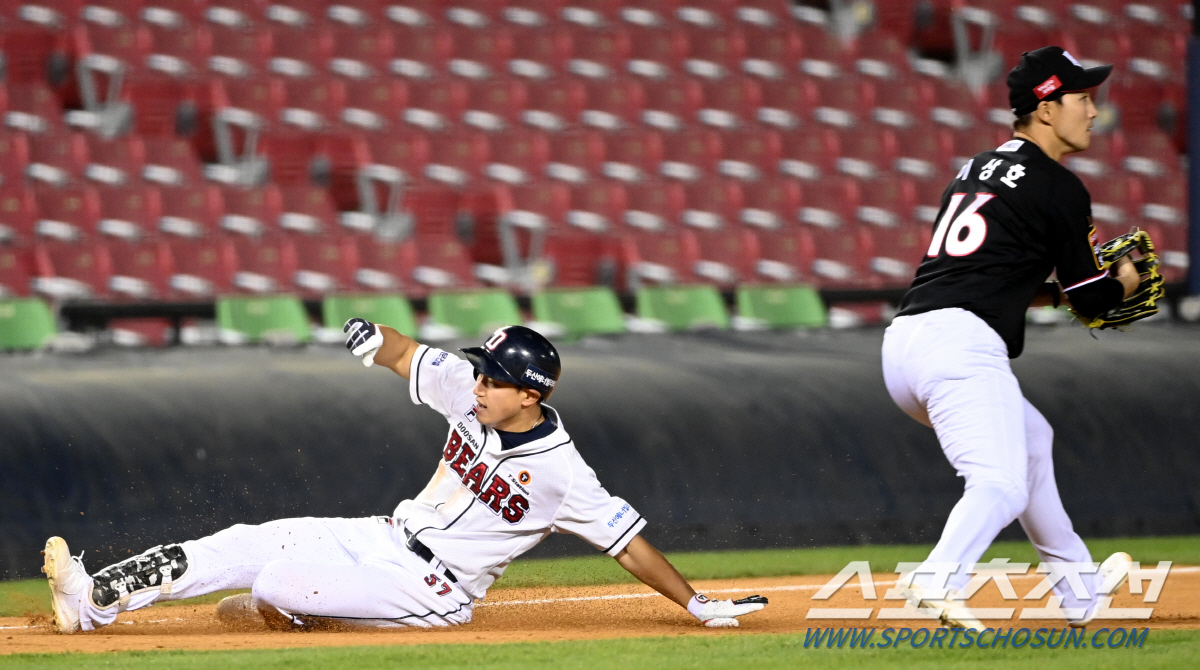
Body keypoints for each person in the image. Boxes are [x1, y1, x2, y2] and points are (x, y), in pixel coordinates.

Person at [42, 322, 767, 633]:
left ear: (531, 395)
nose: (479, 383)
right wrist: (371, 338)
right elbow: (406, 352)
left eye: (495, 378)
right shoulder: (467, 392)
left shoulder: (564, 474)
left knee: (273, 585)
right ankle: (92, 600)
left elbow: (629, 544)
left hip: (434, 591)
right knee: (242, 543)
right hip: (383, 537)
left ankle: (299, 616)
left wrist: (696, 603)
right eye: (481, 371)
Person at [881, 47, 1137, 630]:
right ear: (1046, 109)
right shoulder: (1058, 187)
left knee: (1031, 440)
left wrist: (1060, 292)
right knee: (999, 483)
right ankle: (937, 578)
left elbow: (999, 279)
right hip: (961, 348)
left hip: (907, 343)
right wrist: (1124, 279)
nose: (1094, 112)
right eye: (1083, 99)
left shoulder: (973, 168)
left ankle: (1081, 590)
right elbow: (1095, 299)